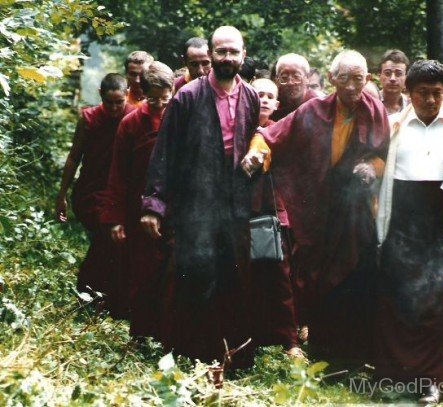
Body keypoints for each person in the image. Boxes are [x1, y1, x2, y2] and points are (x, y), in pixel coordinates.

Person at [243, 50, 390, 361]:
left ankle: (360, 353)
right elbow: (269, 135)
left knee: (359, 275)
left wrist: (371, 168)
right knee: (321, 279)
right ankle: (325, 353)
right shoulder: (314, 109)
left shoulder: (375, 109)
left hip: (356, 209)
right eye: (345, 79)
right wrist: (256, 152)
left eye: (359, 79)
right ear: (332, 79)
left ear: (368, 79)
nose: (352, 86)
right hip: (321, 208)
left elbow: (383, 154)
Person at [141, 26, 260, 364]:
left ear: (243, 56)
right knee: (195, 276)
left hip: (235, 202)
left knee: (233, 277)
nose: (227, 58)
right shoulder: (188, 96)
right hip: (196, 202)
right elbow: (165, 151)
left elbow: (254, 140)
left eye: (233, 52)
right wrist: (154, 204)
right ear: (211, 54)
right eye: (220, 52)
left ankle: (231, 357)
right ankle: (192, 356)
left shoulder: (250, 96)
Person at [375, 60, 443, 403]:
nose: (430, 100)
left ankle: (432, 379)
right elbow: (379, 169)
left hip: (442, 222)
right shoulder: (393, 125)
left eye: (437, 93)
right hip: (402, 219)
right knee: (399, 295)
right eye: (423, 93)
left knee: (438, 294)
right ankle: (397, 373)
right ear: (408, 93)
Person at [101, 62, 175, 340]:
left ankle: (170, 336)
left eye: (164, 99)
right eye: (152, 98)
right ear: (142, 93)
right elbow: (117, 173)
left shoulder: (179, 117)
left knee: (173, 273)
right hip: (137, 207)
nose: (158, 105)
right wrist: (115, 218)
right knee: (143, 272)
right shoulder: (131, 122)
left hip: (175, 207)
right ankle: (142, 335)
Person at [56, 73, 135, 317]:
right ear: (100, 95)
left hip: (119, 193)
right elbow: (73, 157)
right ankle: (89, 292)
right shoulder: (89, 118)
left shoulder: (133, 116)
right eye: (108, 102)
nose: (113, 108)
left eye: (118, 102)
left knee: (112, 243)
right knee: (106, 236)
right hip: (90, 192)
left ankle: (104, 298)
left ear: (127, 95)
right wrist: (62, 195)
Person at [247, 78, 301, 356]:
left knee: (281, 277)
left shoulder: (281, 131)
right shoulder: (238, 129)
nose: (265, 100)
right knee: (247, 278)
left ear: (277, 104)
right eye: (259, 94)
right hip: (244, 212)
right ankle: (249, 339)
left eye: (270, 96)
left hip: (276, 212)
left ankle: (290, 341)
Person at [271, 53, 319, 121]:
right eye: (284, 77)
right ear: (276, 80)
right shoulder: (271, 104)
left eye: (296, 77)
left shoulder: (316, 105)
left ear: (307, 78)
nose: (290, 83)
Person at [378, 49, 410, 114]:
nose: (393, 79)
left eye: (398, 74)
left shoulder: (411, 106)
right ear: (379, 76)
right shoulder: (370, 103)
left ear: (406, 78)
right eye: (387, 73)